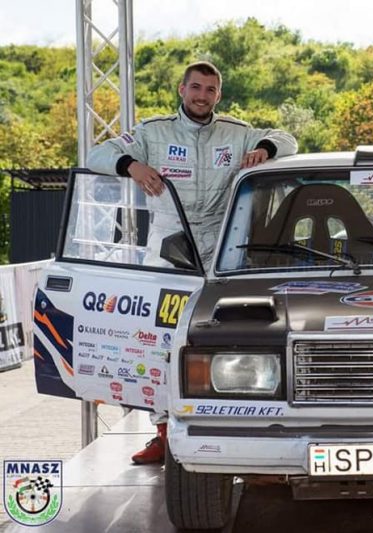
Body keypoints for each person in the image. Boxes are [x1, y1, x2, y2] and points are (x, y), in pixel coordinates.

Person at [87, 61, 298, 464]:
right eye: (196, 88)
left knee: (224, 339)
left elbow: (287, 140)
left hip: (222, 252)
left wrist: (263, 150)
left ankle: (230, 425)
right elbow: (97, 153)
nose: (202, 96)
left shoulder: (236, 133)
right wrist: (131, 165)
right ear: (181, 89)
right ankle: (163, 434)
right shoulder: (153, 133)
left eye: (210, 90)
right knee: (159, 344)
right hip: (168, 252)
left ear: (219, 96)